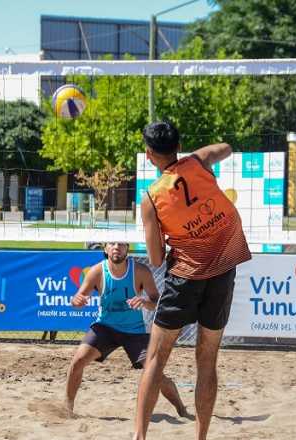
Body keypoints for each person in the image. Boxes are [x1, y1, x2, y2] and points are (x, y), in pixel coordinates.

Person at [134, 121, 251, 440]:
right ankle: (200, 436)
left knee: (156, 359)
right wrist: (202, 157)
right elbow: (224, 147)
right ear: (179, 145)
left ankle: (139, 437)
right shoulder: (197, 162)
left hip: (185, 276)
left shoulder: (151, 198)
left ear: (148, 155)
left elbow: (156, 260)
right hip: (223, 270)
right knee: (207, 358)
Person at [66, 242, 188, 419]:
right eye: (112, 243)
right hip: (105, 327)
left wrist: (145, 302)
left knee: (155, 374)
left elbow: (158, 303)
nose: (116, 247)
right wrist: (76, 301)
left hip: (134, 331)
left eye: (121, 244)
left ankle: (181, 409)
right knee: (78, 361)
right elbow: (77, 301)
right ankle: (67, 409)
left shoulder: (140, 271)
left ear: (127, 248)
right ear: (105, 249)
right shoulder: (96, 271)